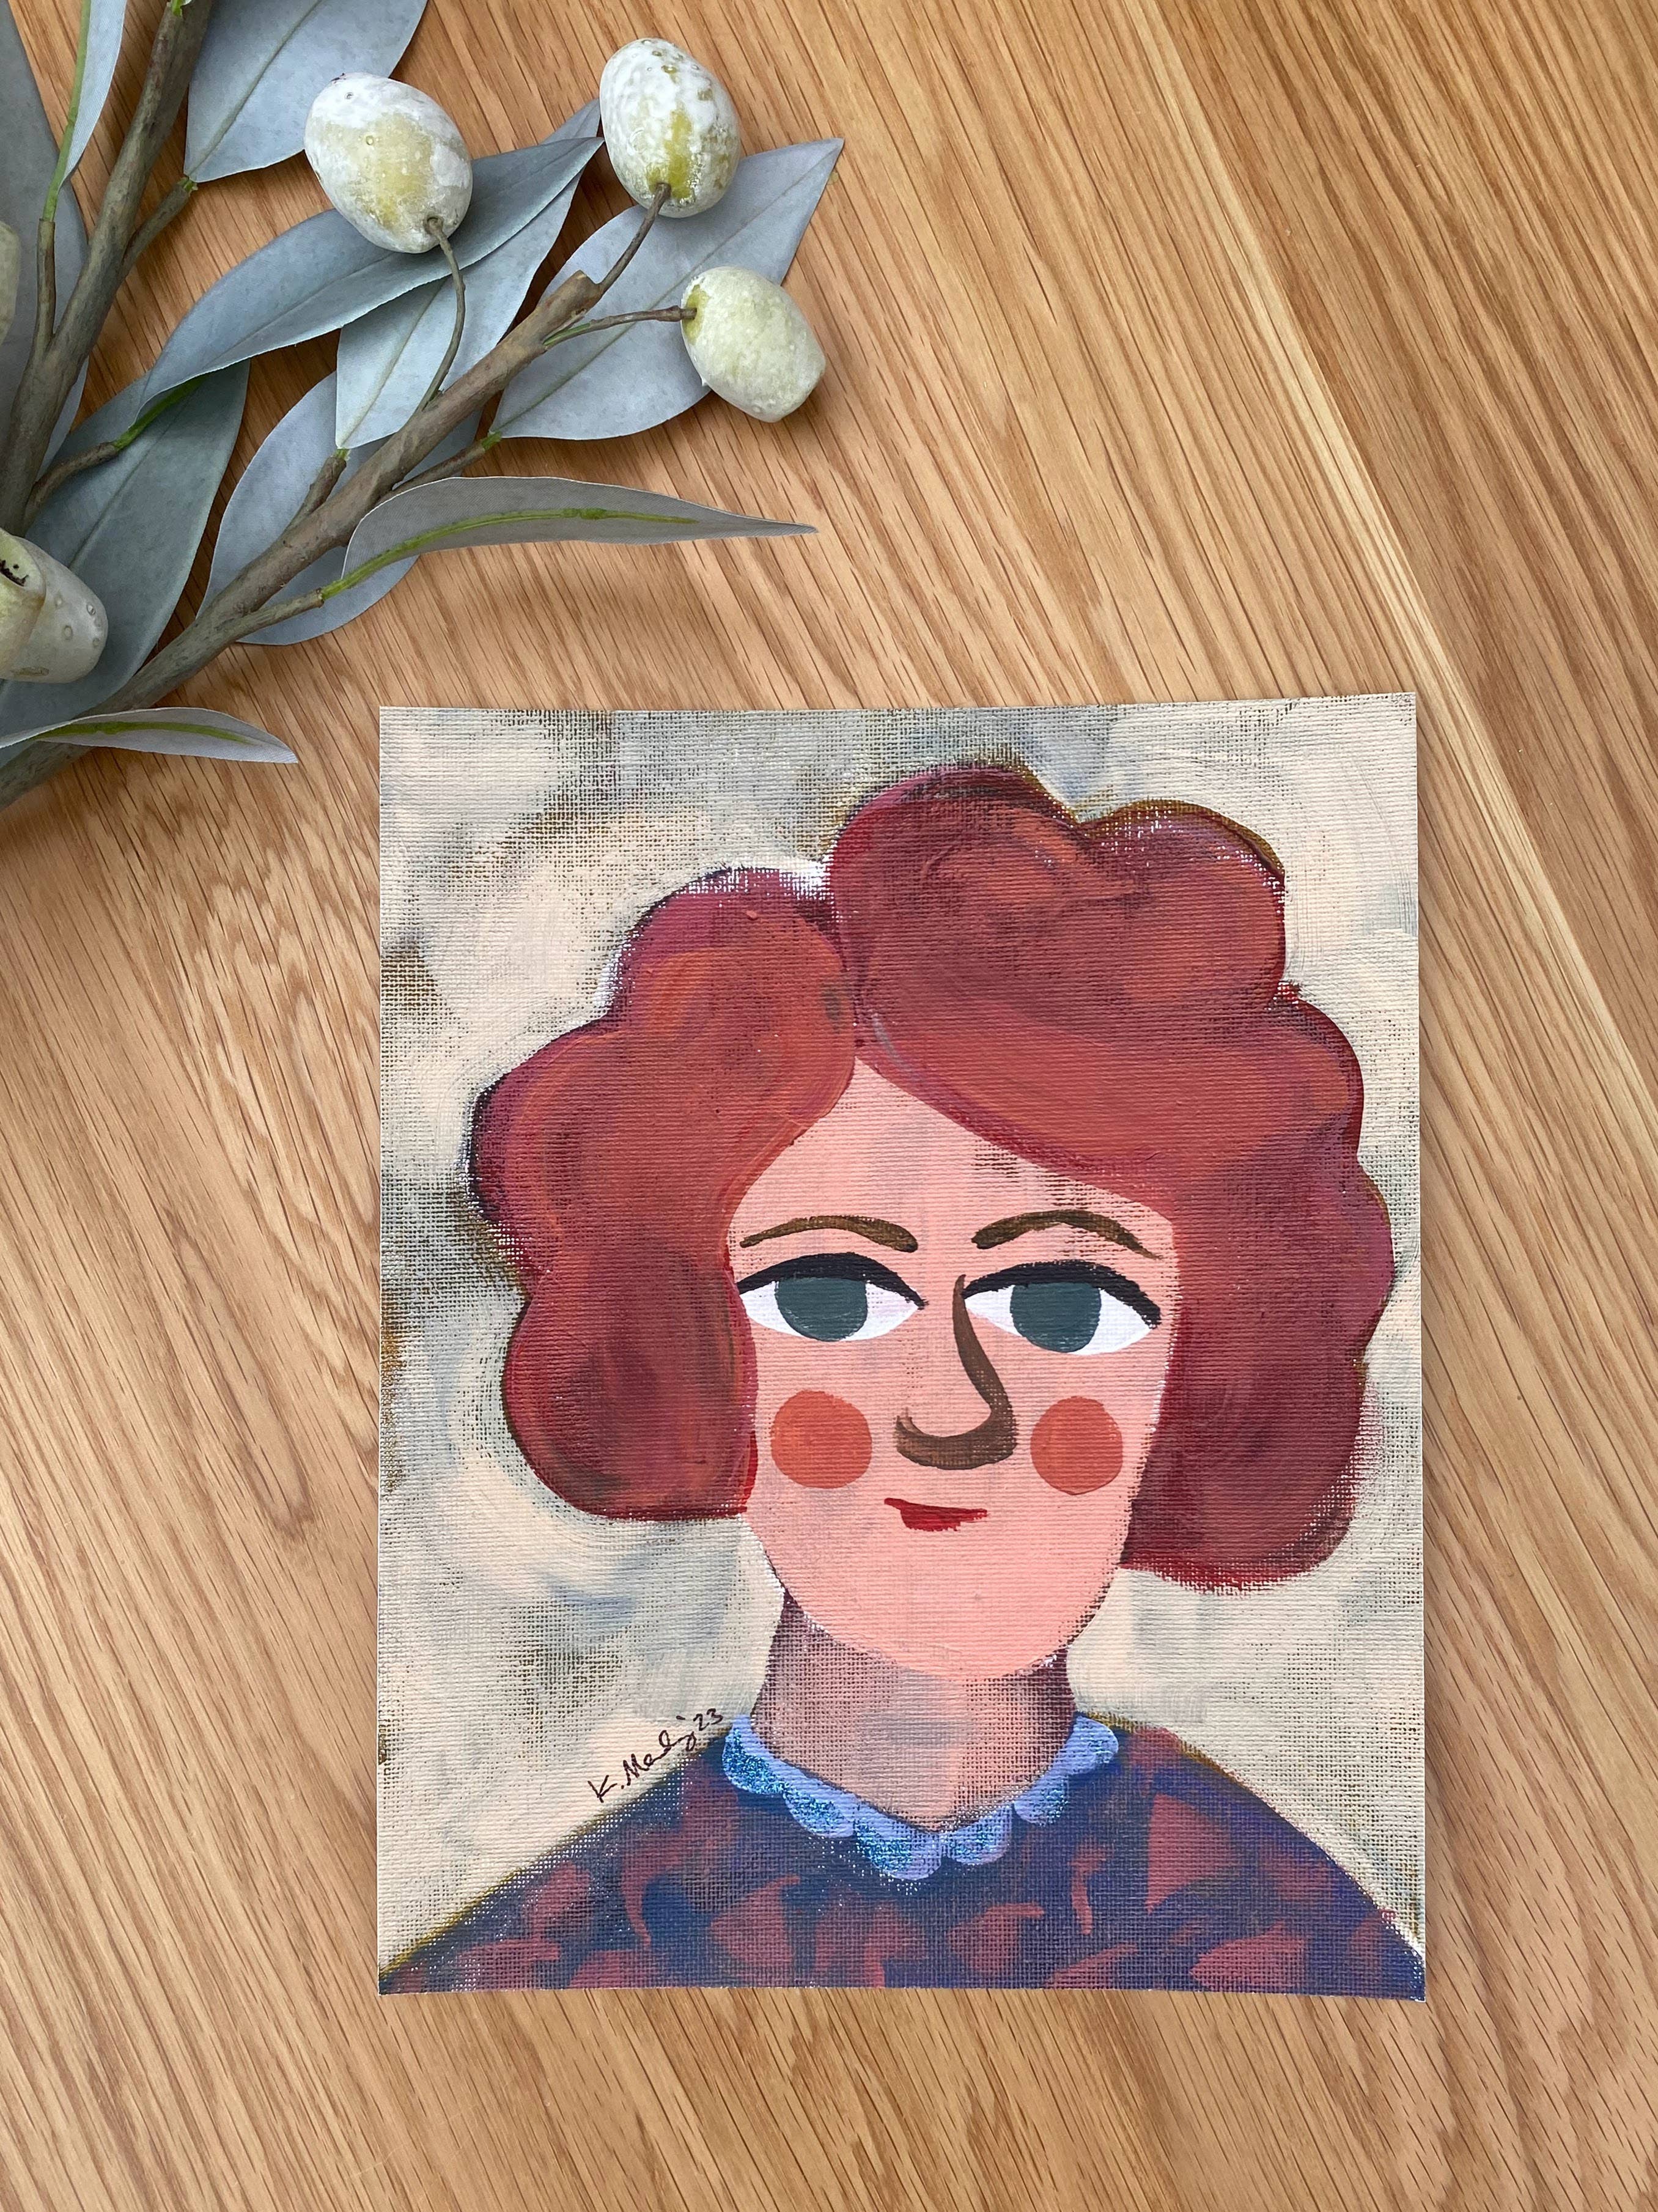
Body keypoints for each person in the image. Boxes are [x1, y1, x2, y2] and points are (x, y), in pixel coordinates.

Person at [383, 765, 1422, 1995]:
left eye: (1064, 1305)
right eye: (832, 1297)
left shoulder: (1300, 1943)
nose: (951, 1413)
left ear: (1197, 1379)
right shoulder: (544, 1969)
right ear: (696, 1357)